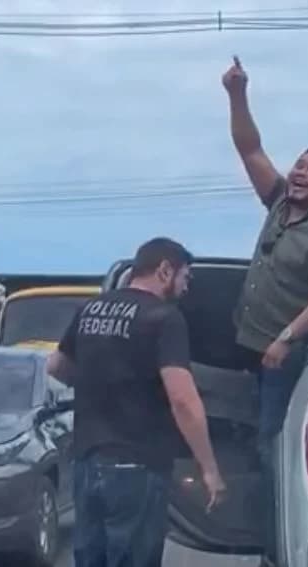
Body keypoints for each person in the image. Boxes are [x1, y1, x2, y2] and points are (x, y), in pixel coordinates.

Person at [222, 56, 308, 565]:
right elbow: (249, 147)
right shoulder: (279, 203)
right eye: (299, 164)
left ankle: (277, 545)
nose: (300, 172)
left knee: (273, 448)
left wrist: (287, 336)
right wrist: (237, 94)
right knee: (248, 437)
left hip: (288, 357)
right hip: (251, 350)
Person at [47, 237, 226, 567]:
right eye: (185, 277)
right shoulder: (164, 318)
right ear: (164, 270)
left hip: (87, 462)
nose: (186, 287)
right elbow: (183, 401)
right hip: (137, 467)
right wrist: (209, 469)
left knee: (90, 557)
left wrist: (95, 381)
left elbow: (56, 366)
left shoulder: (90, 309)